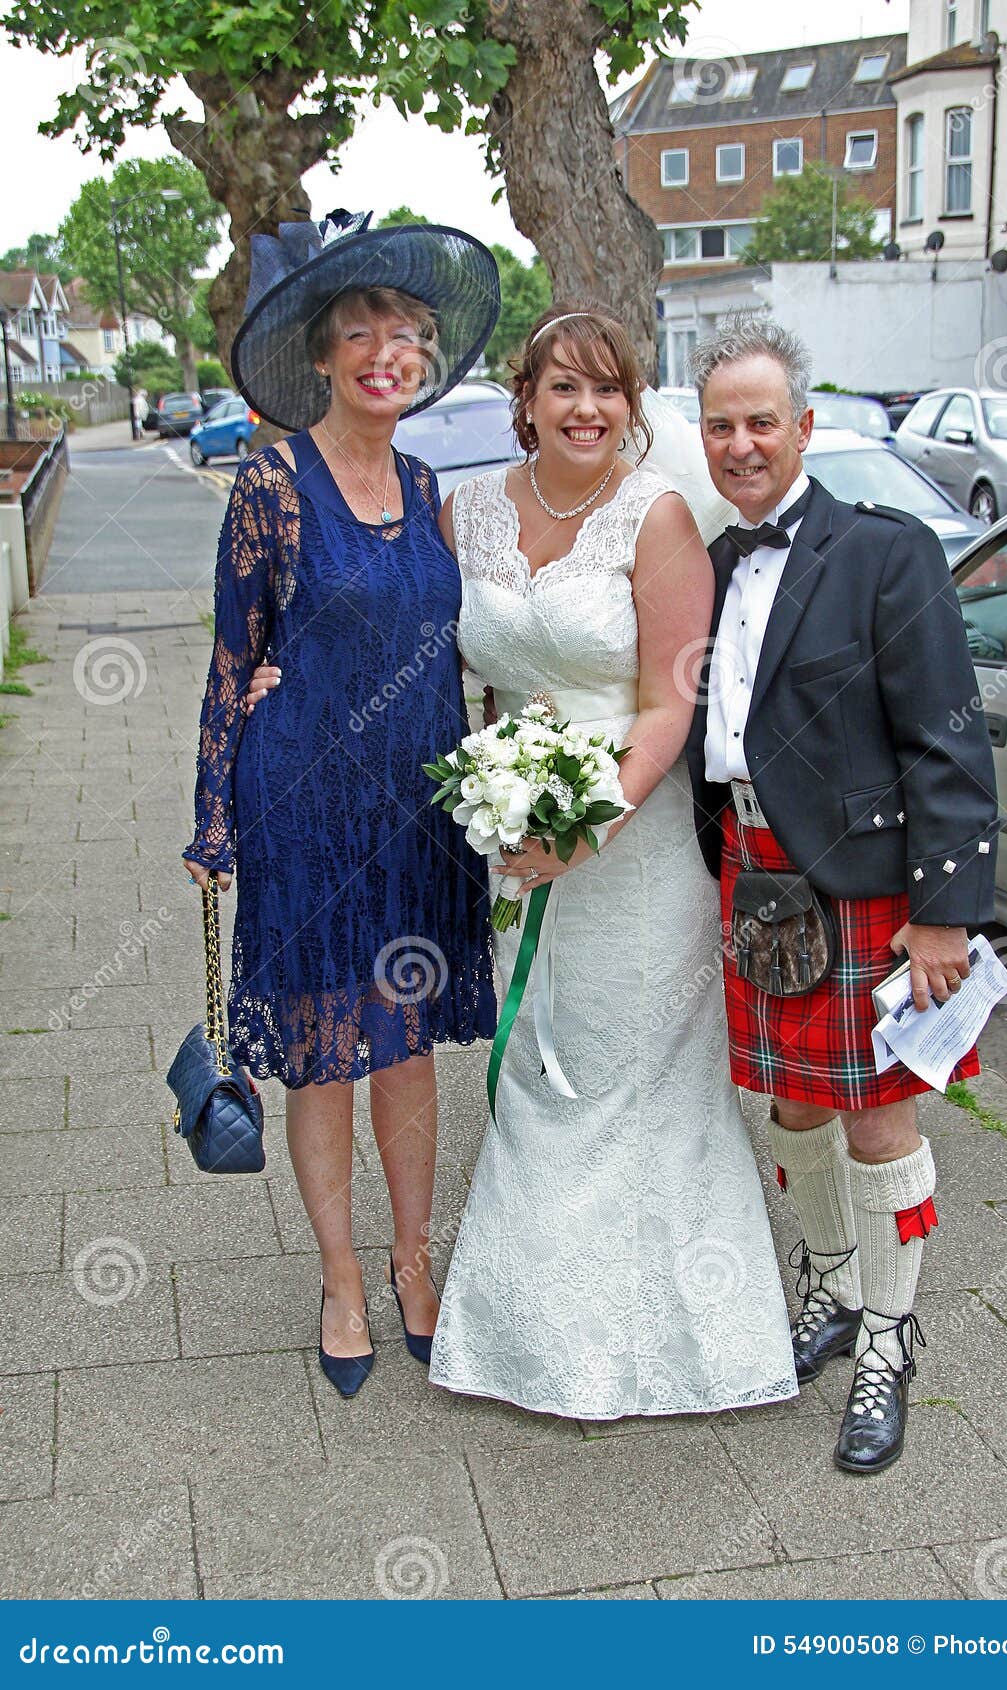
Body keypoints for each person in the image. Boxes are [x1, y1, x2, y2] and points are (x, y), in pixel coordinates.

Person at [422, 302, 797, 1419]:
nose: (585, 409)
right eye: (561, 388)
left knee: (636, 1086)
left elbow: (666, 707)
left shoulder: (657, 517)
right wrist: (500, 806)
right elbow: (465, 676)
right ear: (524, 401)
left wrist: (578, 827)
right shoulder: (467, 513)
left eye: (606, 389)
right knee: (541, 1071)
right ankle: (529, 1337)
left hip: (628, 853)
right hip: (516, 837)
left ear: (631, 406)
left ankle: (683, 1345)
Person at [181, 212, 501, 1399]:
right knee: (321, 1056)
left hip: (414, 816)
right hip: (304, 813)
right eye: (359, 332)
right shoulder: (268, 484)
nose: (385, 351)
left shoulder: (426, 485)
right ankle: (339, 1278)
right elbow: (232, 659)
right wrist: (211, 819)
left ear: (420, 356)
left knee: (406, 1052)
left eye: (403, 333)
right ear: (320, 356)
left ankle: (415, 1262)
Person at [684, 315, 999, 1473]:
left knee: (879, 1116)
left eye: (760, 420)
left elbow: (944, 737)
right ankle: (825, 1280)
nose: (740, 442)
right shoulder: (709, 567)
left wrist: (944, 909)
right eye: (719, 424)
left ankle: (886, 1336)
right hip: (751, 875)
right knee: (794, 1109)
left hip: (863, 884)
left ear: (803, 427)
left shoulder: (883, 551)